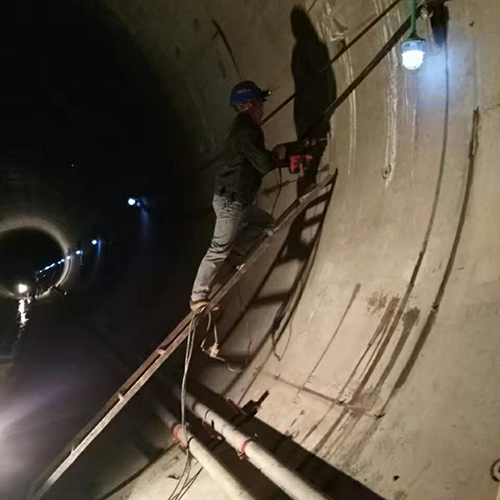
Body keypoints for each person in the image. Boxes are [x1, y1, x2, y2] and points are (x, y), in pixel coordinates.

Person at [190, 81, 287, 311]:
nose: (262, 109)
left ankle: (235, 254)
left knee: (265, 223)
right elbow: (263, 163)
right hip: (231, 200)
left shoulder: (245, 128)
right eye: (260, 104)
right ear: (250, 105)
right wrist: (277, 155)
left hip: (238, 198)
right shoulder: (245, 129)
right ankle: (197, 296)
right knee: (218, 248)